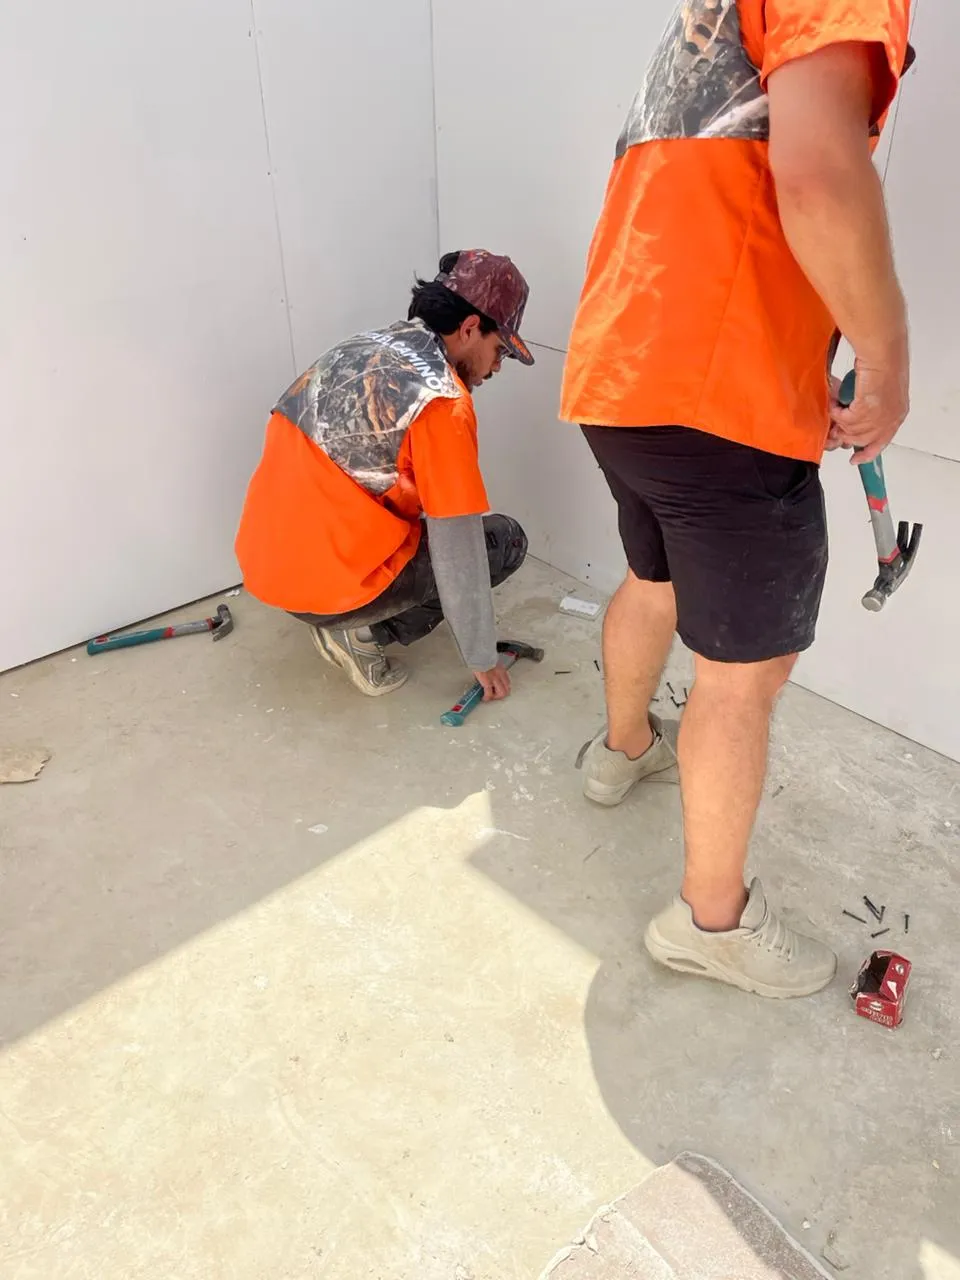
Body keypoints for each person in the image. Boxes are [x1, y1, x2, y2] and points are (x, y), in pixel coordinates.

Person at [563, 1, 914, 998]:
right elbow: (815, 171)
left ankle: (620, 750)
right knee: (741, 676)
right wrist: (884, 355)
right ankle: (710, 922)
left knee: (652, 575)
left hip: (623, 374)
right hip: (725, 397)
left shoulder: (704, 23)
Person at [236, 250, 534, 697]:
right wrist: (482, 656)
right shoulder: (442, 403)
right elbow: (459, 549)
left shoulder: (361, 346)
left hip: (265, 567)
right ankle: (359, 634)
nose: (496, 366)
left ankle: (337, 606)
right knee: (502, 541)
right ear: (471, 328)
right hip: (325, 588)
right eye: (499, 350)